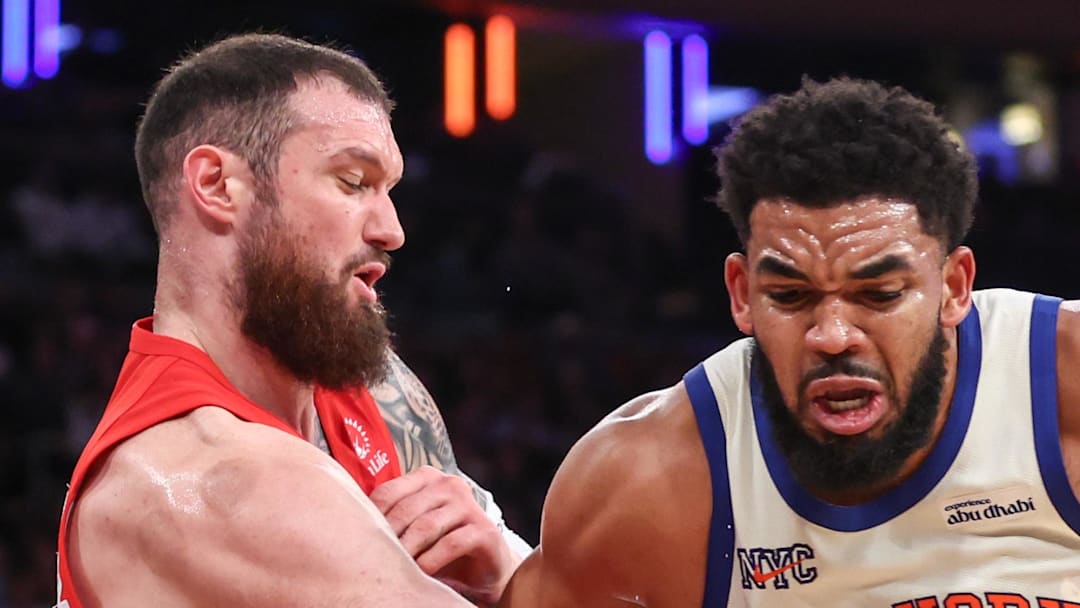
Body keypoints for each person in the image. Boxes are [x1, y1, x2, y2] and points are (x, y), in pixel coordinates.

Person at [498, 77, 1080, 607]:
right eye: (792, 297)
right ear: (742, 293)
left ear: (955, 288)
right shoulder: (645, 478)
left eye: (878, 294)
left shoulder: (1064, 379)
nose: (832, 336)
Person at [56, 33, 528, 608]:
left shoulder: (374, 391)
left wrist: (506, 566)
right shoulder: (209, 479)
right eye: (353, 182)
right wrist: (517, 582)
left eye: (389, 190)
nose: (392, 230)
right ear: (217, 185)